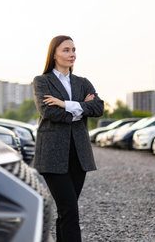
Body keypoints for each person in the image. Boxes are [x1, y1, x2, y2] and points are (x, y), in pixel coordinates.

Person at [32, 35, 104, 242]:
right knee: (70, 210)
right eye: (66, 50)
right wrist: (82, 106)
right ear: (54, 53)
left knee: (66, 211)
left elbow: (98, 108)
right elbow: (49, 112)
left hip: (79, 155)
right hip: (52, 155)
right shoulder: (42, 81)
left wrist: (64, 104)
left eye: (73, 50)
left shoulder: (83, 83)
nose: (72, 54)